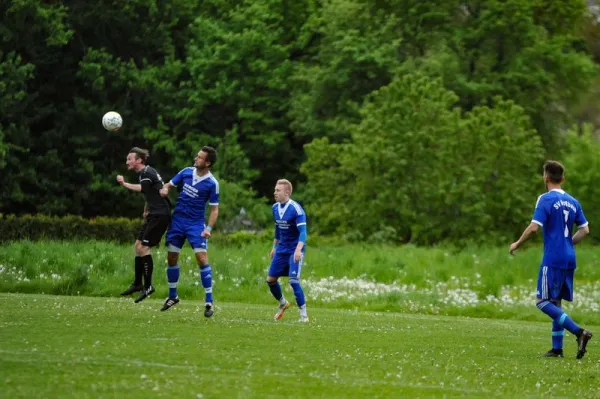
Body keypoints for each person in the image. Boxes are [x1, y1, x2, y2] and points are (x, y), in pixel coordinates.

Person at [509, 160, 592, 359]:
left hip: (553, 257)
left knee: (542, 301)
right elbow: (585, 230)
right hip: (569, 257)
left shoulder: (545, 199)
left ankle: (579, 332)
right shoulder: (573, 201)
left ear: (545, 177)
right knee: (556, 302)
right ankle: (557, 349)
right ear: (562, 179)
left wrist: (516, 244)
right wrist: (568, 244)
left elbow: (534, 228)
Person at [159, 146, 219, 317]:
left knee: (201, 258)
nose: (196, 158)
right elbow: (169, 184)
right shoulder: (186, 172)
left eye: (200, 157)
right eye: (197, 156)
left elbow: (215, 210)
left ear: (207, 163)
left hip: (195, 224)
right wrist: (165, 189)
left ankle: (209, 301)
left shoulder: (212, 184)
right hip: (177, 221)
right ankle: (172, 296)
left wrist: (208, 228)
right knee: (171, 257)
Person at [117, 147, 171, 303]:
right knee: (138, 245)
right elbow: (150, 193)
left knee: (144, 248)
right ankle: (137, 284)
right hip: (153, 214)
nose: (127, 162)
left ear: (138, 160)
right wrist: (146, 209)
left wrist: (124, 183)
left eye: (129, 159)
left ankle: (148, 286)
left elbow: (142, 189)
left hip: (160, 215)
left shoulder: (146, 173)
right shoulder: (145, 172)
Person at [267, 179, 309, 322]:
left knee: (294, 281)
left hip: (294, 250)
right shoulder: (274, 208)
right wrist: (274, 247)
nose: (275, 193)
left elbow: (303, 232)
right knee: (270, 280)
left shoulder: (296, 209)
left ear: (287, 192)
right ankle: (283, 303)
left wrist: (298, 250)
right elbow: (278, 229)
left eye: (278, 190)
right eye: (275, 190)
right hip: (281, 249)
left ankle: (304, 316)